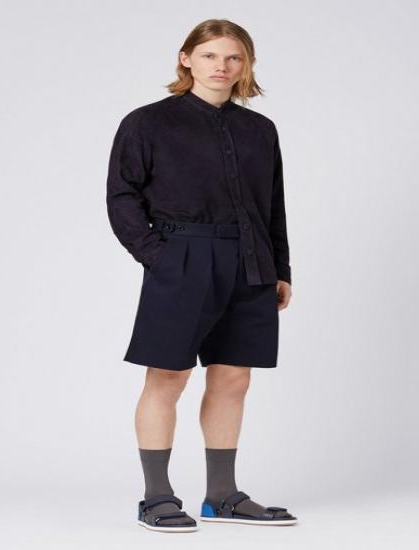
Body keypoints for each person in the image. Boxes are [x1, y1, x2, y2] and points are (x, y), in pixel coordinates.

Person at [106, 18, 298, 532]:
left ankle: (222, 496)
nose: (222, 66)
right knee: (168, 376)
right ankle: (156, 496)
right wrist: (159, 256)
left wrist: (279, 267)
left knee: (233, 377)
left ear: (246, 65)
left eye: (234, 57)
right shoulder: (147, 123)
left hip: (250, 262)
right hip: (182, 256)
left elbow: (272, 205)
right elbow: (122, 196)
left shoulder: (260, 130)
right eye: (211, 55)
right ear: (186, 58)